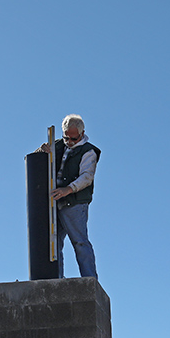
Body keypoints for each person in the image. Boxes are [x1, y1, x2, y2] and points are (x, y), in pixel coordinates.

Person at [37, 113, 100, 278]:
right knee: (54, 243)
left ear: (82, 133)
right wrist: (42, 150)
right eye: (67, 138)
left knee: (80, 242)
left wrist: (68, 189)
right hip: (55, 203)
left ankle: (89, 279)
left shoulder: (89, 151)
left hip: (75, 204)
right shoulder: (57, 145)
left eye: (74, 139)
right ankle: (57, 279)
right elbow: (34, 158)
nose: (70, 142)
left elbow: (87, 177)